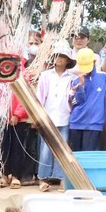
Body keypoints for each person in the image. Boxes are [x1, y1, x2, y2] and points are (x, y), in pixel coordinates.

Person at [36, 42, 77, 191]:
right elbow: (40, 97)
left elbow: (73, 98)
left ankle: (61, 178)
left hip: (64, 117)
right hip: (48, 117)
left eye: (63, 56)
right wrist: (38, 116)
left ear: (68, 60)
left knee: (63, 150)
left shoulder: (71, 78)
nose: (59, 59)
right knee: (45, 150)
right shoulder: (45, 75)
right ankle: (42, 178)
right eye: (57, 55)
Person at [69, 48, 106, 152]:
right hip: (76, 122)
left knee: (89, 155)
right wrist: (80, 86)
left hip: (94, 124)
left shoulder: (103, 77)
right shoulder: (75, 80)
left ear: (94, 62)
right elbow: (75, 102)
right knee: (76, 155)